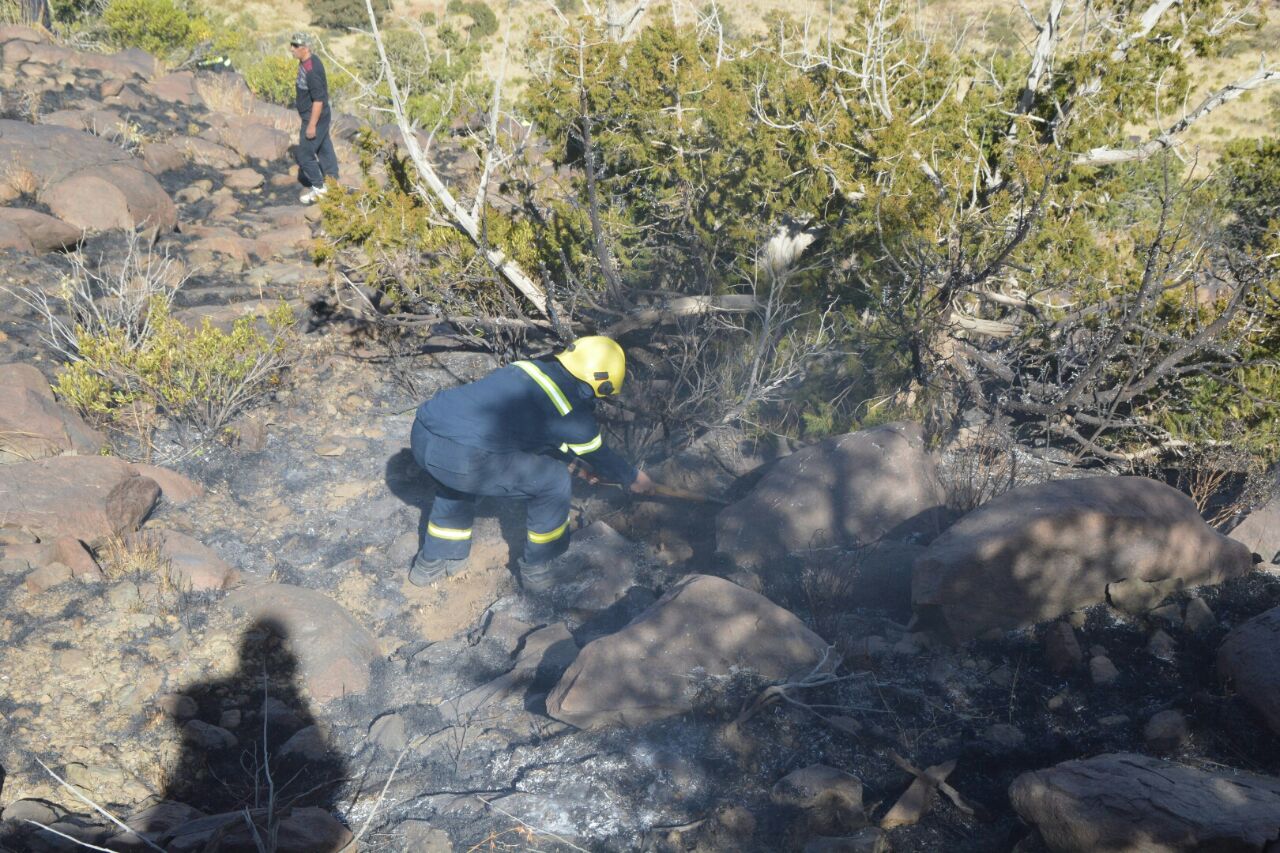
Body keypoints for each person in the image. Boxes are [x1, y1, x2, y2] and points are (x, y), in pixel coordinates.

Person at [407, 336, 654, 591]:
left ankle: (433, 561)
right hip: (462, 458)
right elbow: (599, 455)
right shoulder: (571, 412)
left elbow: (531, 433)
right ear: (601, 383)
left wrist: (575, 465)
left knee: (458, 477)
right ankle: (540, 568)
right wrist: (633, 477)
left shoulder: (528, 369)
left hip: (424, 435)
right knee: (554, 482)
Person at [289, 32, 339, 204]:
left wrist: (311, 125)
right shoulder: (307, 62)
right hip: (318, 116)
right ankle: (332, 183)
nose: (292, 49)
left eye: (295, 46)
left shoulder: (311, 70)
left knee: (304, 156)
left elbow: (318, 100)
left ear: (305, 48)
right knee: (324, 148)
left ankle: (319, 188)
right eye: (292, 44)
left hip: (315, 117)